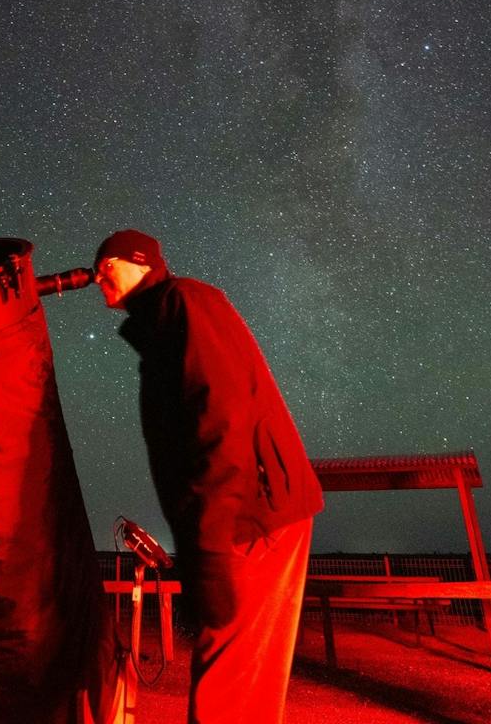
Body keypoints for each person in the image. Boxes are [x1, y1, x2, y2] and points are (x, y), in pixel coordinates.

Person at [94, 229, 323, 724]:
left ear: (139, 261)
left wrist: (212, 545)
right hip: (246, 509)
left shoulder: (184, 302)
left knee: (231, 685)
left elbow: (221, 415)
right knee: (241, 683)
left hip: (252, 512)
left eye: (105, 264)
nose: (96, 277)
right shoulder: (165, 319)